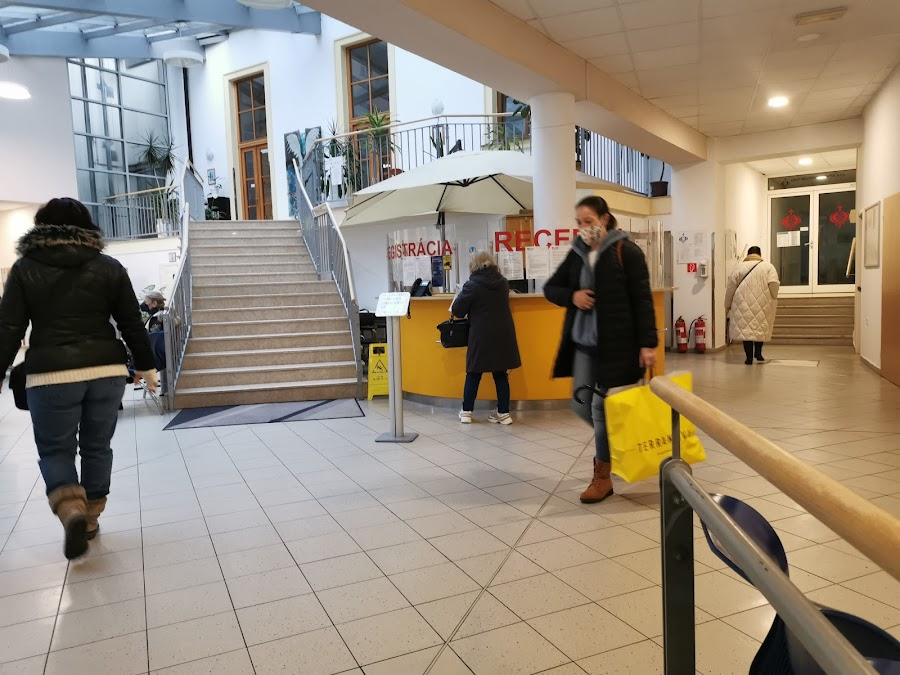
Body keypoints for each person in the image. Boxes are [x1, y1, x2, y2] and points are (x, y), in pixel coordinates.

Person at [0, 198, 157, 560]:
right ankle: (91, 519)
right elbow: (131, 323)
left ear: (41, 227)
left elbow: (9, 327)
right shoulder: (109, 267)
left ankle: (71, 509)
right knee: (97, 447)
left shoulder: (25, 268)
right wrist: (147, 367)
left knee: (57, 450)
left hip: (50, 374)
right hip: (106, 372)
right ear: (87, 226)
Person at [544, 196, 657, 503]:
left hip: (617, 345)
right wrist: (573, 296)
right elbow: (551, 288)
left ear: (605, 219)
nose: (583, 228)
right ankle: (617, 448)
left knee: (599, 407)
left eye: (589, 221)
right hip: (583, 345)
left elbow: (642, 300)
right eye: (579, 222)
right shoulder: (578, 253)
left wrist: (648, 343)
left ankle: (602, 476)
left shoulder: (626, 251)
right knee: (581, 405)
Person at [451, 251, 521, 425]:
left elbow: (458, 311)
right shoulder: (503, 283)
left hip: (481, 335)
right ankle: (504, 413)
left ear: (474, 265)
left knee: (474, 373)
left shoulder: (472, 285)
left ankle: (466, 412)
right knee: (501, 374)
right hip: (503, 333)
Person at [725, 246, 780, 365]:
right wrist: (773, 296)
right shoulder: (768, 267)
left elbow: (730, 288)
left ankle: (748, 357)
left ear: (748, 255)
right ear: (760, 254)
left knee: (746, 331)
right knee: (759, 328)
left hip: (742, 303)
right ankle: (758, 354)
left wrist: (727, 304)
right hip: (763, 303)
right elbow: (774, 284)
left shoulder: (738, 267)